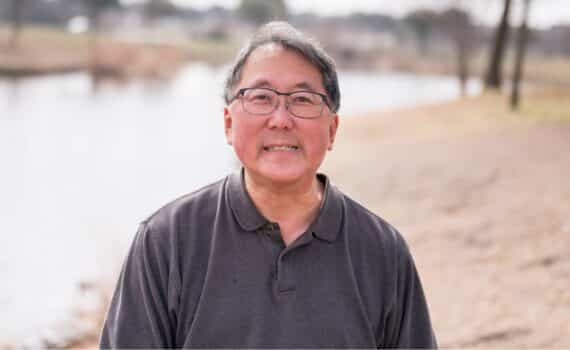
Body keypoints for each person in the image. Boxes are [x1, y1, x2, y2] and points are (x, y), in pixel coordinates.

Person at [99, 21, 437, 349]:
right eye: (261, 97)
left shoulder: (383, 252)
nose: (280, 119)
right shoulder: (166, 241)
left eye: (302, 100)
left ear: (332, 130)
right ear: (229, 123)